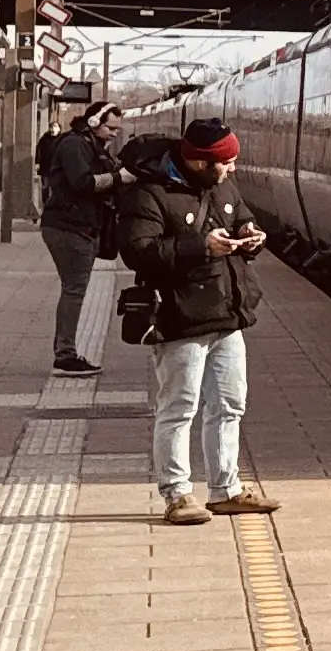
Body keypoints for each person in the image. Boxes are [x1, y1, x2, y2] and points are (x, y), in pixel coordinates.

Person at [113, 115, 280, 524]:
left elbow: (239, 215)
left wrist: (250, 233)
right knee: (179, 406)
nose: (233, 168)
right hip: (180, 314)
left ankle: (226, 489)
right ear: (202, 162)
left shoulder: (221, 184)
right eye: (227, 162)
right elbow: (137, 251)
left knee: (229, 404)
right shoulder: (149, 194)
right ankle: (177, 494)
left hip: (227, 312)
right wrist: (200, 246)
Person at [36, 94, 127, 377]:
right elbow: (82, 183)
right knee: (74, 290)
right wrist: (118, 179)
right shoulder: (75, 145)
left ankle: (65, 350)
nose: (114, 134)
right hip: (68, 227)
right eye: (110, 128)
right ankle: (65, 354)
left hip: (77, 227)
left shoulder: (92, 145)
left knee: (73, 289)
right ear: (93, 121)